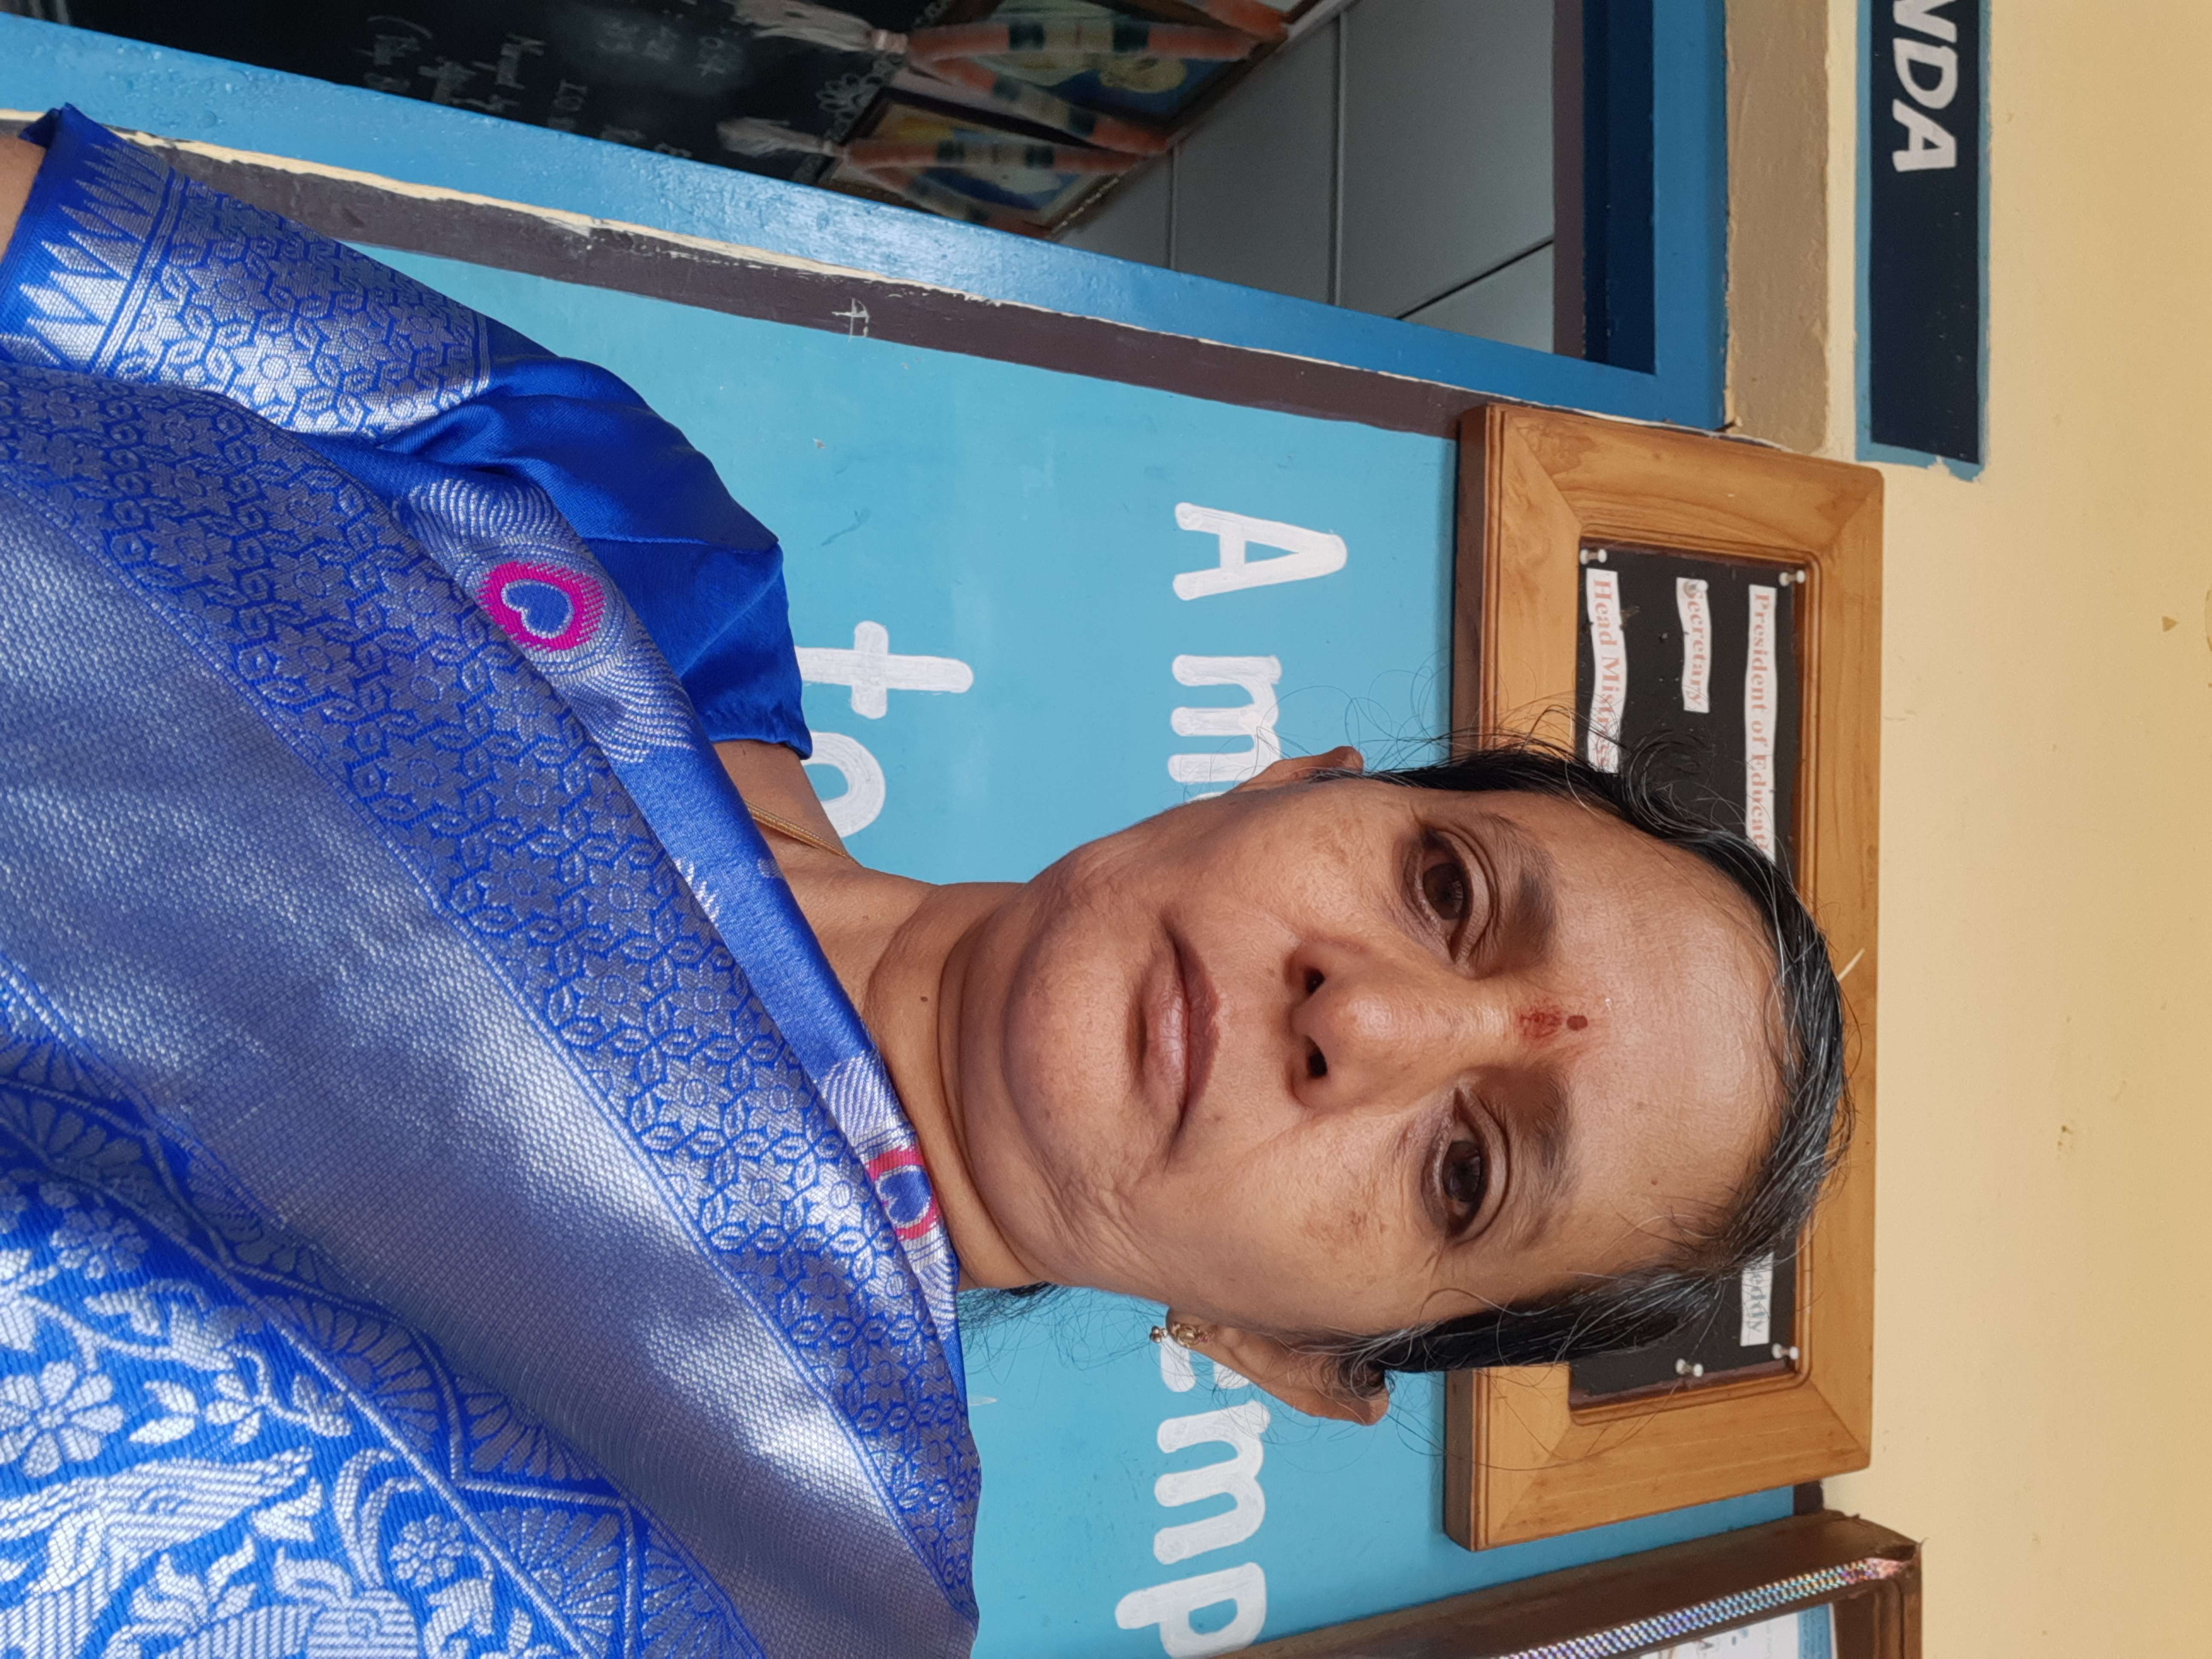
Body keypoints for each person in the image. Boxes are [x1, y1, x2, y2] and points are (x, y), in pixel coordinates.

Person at [0, 110, 1846, 1657]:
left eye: (1466, 1171)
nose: (1360, 1017)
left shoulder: (799, 1601)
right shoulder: (608, 515)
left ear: (1296, 1358)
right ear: (1288, 783)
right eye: (1445, 890)